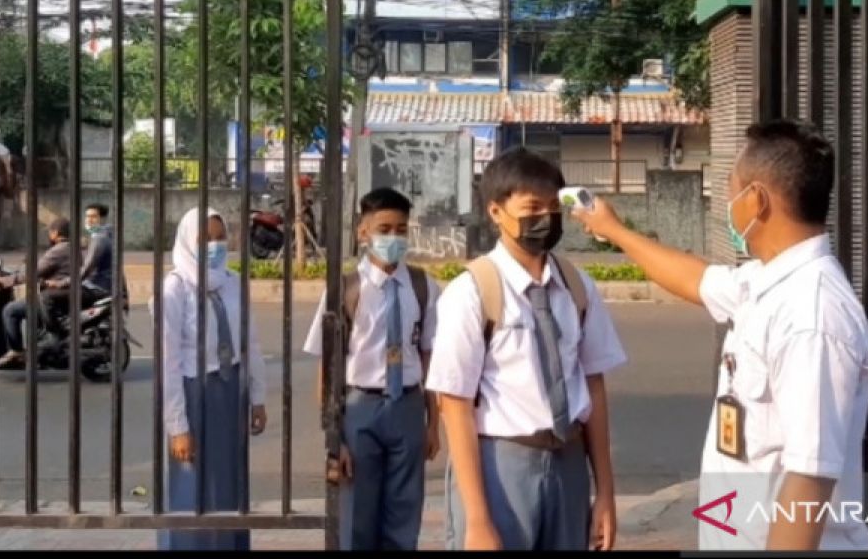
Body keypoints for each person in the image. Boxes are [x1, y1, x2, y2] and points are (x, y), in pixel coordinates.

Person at [572, 120, 868, 551]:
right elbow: (694, 279)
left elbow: (809, 479)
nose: (727, 204)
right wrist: (616, 231)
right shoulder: (765, 282)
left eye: (731, 191)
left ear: (756, 200)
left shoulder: (811, 314)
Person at [426, 147, 627, 551]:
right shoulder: (472, 292)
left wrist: (604, 492)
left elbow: (594, 388)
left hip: (568, 463)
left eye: (554, 207)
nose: (545, 218)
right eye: (532, 207)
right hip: (501, 466)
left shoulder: (577, 287)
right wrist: (478, 520)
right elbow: (455, 404)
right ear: (496, 212)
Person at [302, 188, 440, 551]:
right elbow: (327, 369)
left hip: (407, 407)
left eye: (401, 229)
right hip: (360, 409)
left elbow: (429, 357)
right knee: (356, 517)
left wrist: (433, 424)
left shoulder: (423, 287)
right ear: (363, 232)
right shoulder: (345, 289)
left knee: (404, 513)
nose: (393, 238)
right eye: (384, 229)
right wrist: (335, 439)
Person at [153, 207, 269, 551]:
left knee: (229, 484)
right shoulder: (175, 289)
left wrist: (257, 397)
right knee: (193, 489)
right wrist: (178, 426)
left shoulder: (232, 283)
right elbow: (168, 362)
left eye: (220, 238)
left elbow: (251, 342)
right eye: (206, 239)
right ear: (189, 242)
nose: (215, 246)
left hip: (230, 390)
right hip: (194, 393)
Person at [0, 216, 77, 369]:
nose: (49, 235)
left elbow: (33, 273)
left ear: (55, 233)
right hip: (65, 296)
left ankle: (16, 351)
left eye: (50, 232)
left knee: (10, 310)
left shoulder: (58, 251)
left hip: (55, 299)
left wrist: (5, 281)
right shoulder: (73, 248)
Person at [81, 202, 116, 305]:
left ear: (102, 219)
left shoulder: (100, 238)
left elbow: (87, 268)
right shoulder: (107, 234)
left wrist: (66, 282)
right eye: (87, 216)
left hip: (96, 286)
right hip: (106, 284)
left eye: (93, 217)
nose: (89, 220)